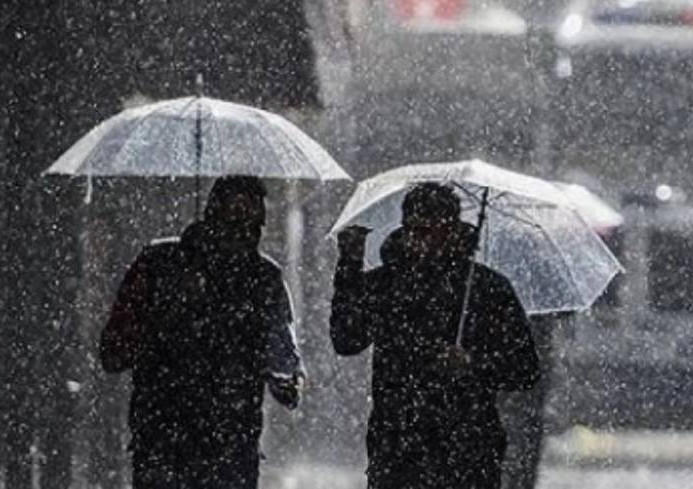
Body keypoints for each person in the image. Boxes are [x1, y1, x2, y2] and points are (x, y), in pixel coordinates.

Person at [331, 182, 540, 489]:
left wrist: (471, 363)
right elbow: (346, 339)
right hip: (397, 450)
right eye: (412, 230)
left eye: (427, 231)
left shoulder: (484, 289)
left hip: (468, 452)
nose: (416, 241)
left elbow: (525, 369)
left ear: (452, 231)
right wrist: (348, 266)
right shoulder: (387, 285)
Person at [100, 175, 304, 489]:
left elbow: (285, 366)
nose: (243, 223)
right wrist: (172, 309)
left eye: (252, 213)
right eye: (234, 209)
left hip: (231, 451)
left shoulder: (264, 279)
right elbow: (113, 352)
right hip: (164, 444)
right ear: (213, 210)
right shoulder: (158, 264)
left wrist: (285, 380)